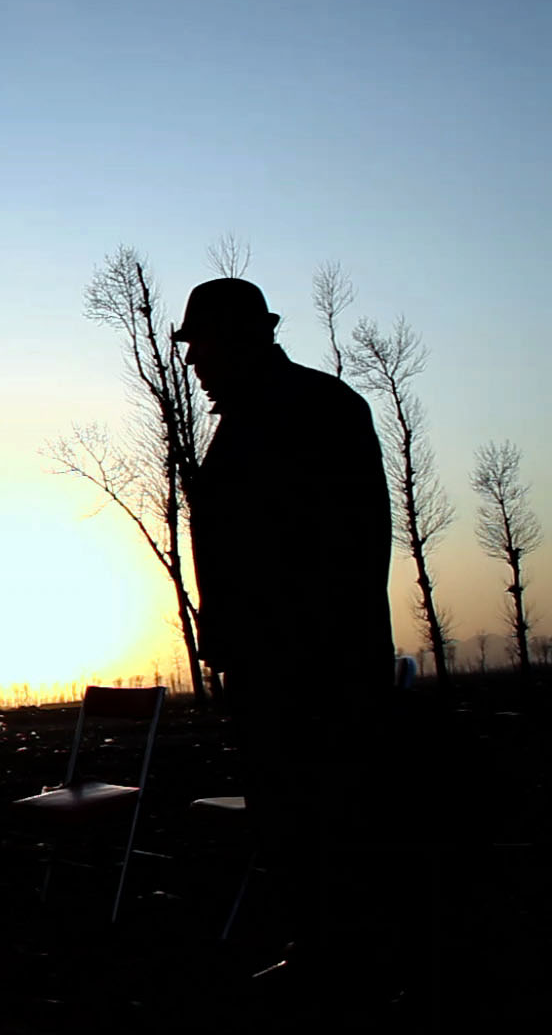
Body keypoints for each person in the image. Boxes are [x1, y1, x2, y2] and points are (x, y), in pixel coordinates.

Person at [176, 277, 398, 1005]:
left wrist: (284, 647)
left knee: (325, 817)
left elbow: (346, 548)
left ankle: (345, 974)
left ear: (241, 336)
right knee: (290, 822)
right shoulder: (251, 416)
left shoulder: (310, 409)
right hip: (274, 662)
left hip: (313, 668)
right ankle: (321, 955)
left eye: (201, 343)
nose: (195, 361)